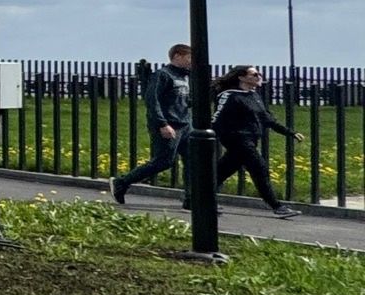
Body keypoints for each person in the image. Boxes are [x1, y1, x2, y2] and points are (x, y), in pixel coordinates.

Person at [111, 43, 195, 206]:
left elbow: (183, 100)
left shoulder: (185, 77)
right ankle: (122, 182)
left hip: (185, 124)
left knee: (192, 161)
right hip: (169, 124)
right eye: (189, 57)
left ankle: (190, 199)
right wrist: (162, 123)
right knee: (164, 161)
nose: (192, 62)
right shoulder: (163, 75)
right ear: (177, 56)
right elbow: (152, 100)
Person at [213, 66, 300, 217]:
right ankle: (277, 206)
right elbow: (216, 117)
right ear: (241, 77)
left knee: (221, 172)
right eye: (254, 74)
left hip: (251, 139)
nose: (259, 76)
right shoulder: (229, 95)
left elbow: (267, 119)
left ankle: (197, 199)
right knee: (259, 168)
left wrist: (290, 133)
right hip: (237, 139)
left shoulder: (254, 96)